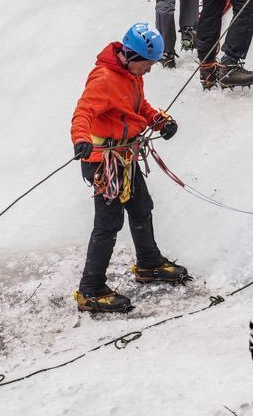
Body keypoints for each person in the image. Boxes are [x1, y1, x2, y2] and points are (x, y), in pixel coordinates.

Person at [71, 23, 188, 313]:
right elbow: (83, 112)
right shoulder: (104, 79)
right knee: (108, 223)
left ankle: (149, 262)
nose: (149, 70)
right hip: (104, 163)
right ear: (131, 56)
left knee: (141, 207)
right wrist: (81, 139)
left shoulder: (131, 75)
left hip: (124, 157)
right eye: (147, 64)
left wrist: (159, 121)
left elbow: (138, 106)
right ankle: (91, 289)